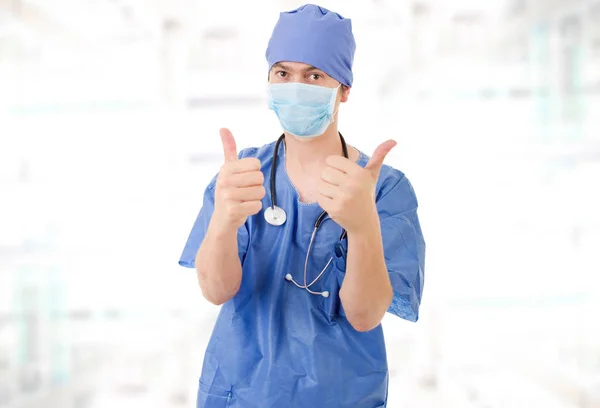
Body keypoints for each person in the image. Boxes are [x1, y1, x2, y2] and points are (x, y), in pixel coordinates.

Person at [179, 4, 425, 407]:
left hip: (341, 393)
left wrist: (363, 228)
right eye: (283, 73)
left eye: (314, 75)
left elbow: (364, 316)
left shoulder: (383, 190)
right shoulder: (240, 177)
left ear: (344, 90)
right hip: (240, 390)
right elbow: (216, 290)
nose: (296, 86)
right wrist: (223, 222)